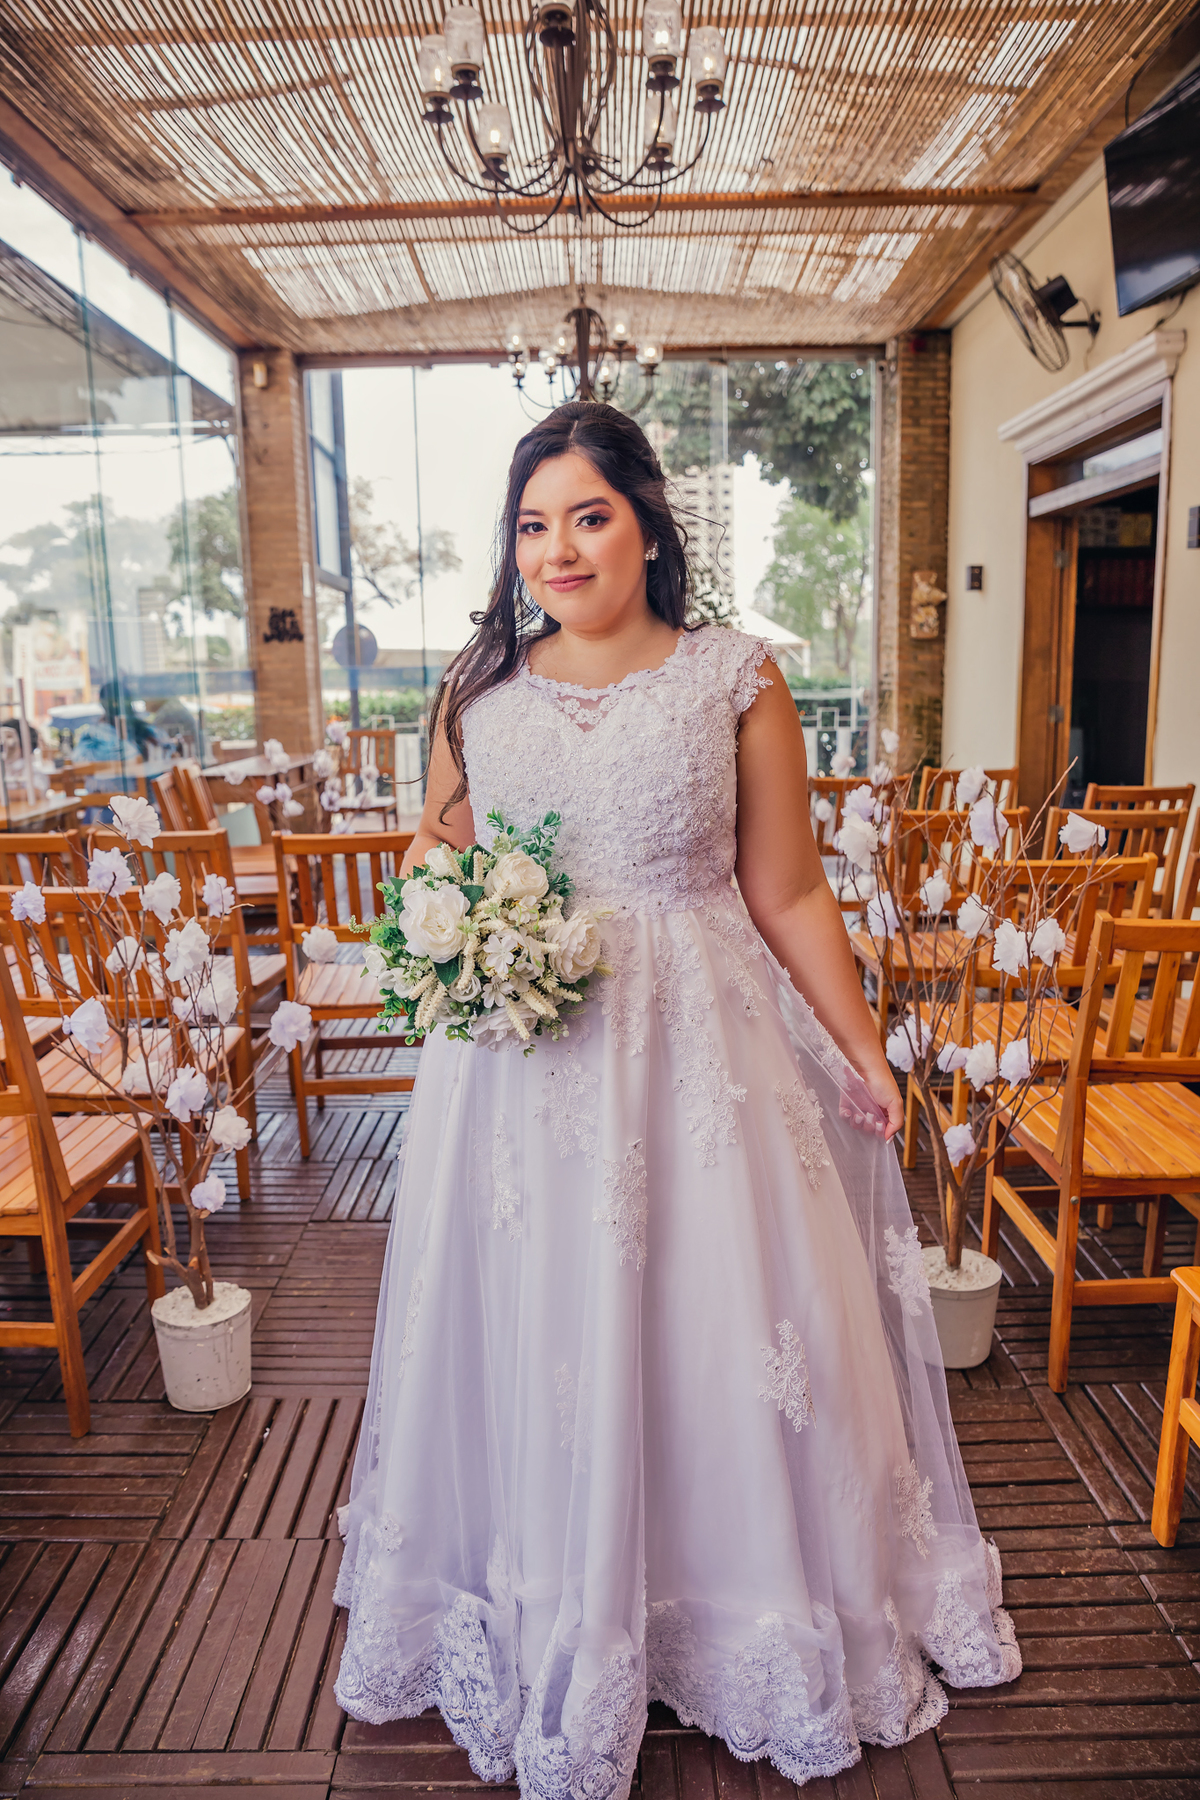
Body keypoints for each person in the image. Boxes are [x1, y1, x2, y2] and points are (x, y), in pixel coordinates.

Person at [333, 402, 1020, 1797]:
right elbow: (435, 857)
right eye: (534, 524)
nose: (558, 549)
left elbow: (789, 889)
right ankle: (559, 1602)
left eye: (587, 515)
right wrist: (453, 923)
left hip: (701, 1054)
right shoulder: (478, 694)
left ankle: (735, 1608)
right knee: (540, 1322)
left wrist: (864, 1050)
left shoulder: (737, 679)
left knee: (727, 1327)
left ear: (650, 524)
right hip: (526, 1069)